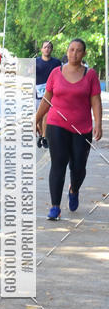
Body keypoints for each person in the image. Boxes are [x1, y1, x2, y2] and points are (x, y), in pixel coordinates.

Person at [35, 38, 102, 220]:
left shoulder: (90, 75)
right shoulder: (56, 73)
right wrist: (37, 118)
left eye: (79, 50)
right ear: (67, 51)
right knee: (58, 164)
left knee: (79, 167)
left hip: (82, 127)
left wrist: (98, 123)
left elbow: (95, 100)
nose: (74, 53)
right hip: (57, 125)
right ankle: (55, 206)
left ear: (84, 54)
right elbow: (47, 98)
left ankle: (74, 189)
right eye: (71, 49)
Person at [35, 41, 62, 148]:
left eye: (49, 47)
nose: (47, 49)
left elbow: (61, 75)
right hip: (38, 92)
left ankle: (45, 137)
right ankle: (41, 135)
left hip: (51, 93)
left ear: (51, 49)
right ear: (41, 49)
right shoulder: (35, 62)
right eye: (45, 47)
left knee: (47, 114)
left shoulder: (56, 62)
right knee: (39, 116)